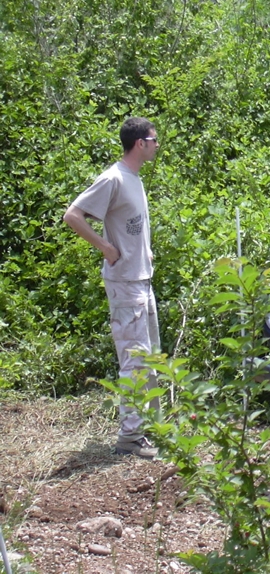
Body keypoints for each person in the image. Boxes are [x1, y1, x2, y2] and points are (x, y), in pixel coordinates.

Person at [63, 117, 161, 459]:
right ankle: (129, 440)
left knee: (150, 361)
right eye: (154, 139)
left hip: (142, 282)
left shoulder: (133, 179)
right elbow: (72, 215)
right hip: (125, 285)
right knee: (134, 362)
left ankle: (147, 429)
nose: (157, 144)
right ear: (140, 143)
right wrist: (106, 248)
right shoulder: (114, 178)